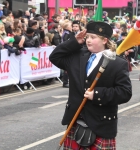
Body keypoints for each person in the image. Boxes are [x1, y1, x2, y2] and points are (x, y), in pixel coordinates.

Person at [49, 21, 132, 149]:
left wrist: (97, 94)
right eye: (87, 37)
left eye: (93, 38)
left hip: (101, 124)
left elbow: (125, 92)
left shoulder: (117, 63)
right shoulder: (77, 57)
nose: (88, 40)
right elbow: (55, 56)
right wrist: (75, 41)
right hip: (76, 121)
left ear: (104, 40)